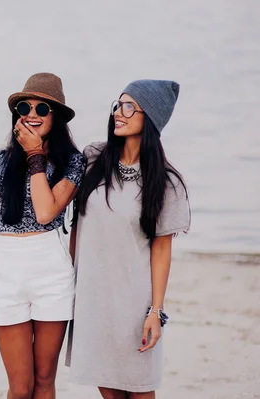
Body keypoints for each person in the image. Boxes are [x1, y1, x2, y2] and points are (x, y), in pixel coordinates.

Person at [0, 73, 85, 398]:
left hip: (51, 273)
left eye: (42, 108)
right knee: (19, 387)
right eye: (23, 107)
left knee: (44, 381)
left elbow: (46, 212)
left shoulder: (73, 162)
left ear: (55, 117)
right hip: (6, 272)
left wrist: (35, 157)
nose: (31, 113)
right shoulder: (0, 161)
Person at [66, 80, 191, 399]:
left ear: (150, 118)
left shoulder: (166, 183)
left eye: (128, 107)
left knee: (139, 391)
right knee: (108, 391)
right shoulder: (94, 159)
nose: (118, 113)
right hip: (93, 300)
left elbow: (162, 250)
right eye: (117, 105)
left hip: (134, 304)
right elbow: (76, 228)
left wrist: (156, 311)